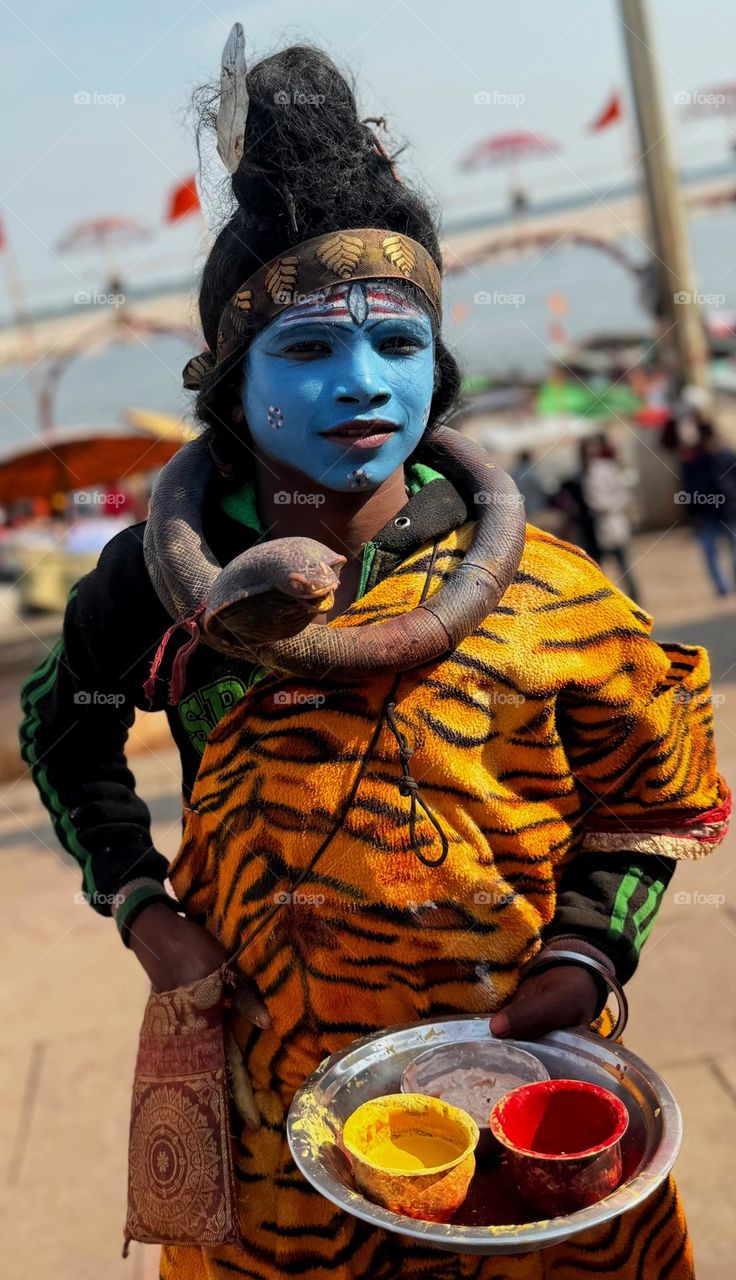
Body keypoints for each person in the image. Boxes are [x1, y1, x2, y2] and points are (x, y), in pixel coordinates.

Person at [20, 38, 730, 1280]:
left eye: (398, 347)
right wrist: (145, 912)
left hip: (530, 1087)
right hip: (270, 1101)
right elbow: (65, 733)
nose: (361, 384)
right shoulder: (152, 584)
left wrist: (585, 950)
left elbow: (653, 793)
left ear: (438, 365)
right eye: (305, 352)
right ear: (232, 387)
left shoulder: (544, 583)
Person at [581, 434, 641, 602]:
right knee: (600, 568)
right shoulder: (586, 473)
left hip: (614, 523)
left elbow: (621, 494)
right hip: (599, 528)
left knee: (624, 565)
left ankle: (634, 600)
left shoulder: (608, 468)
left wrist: (608, 506)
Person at [678, 422, 736, 595]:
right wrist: (693, 514)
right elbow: (688, 489)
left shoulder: (727, 457)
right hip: (706, 515)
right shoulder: (693, 462)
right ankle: (722, 588)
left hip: (730, 511)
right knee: (710, 553)